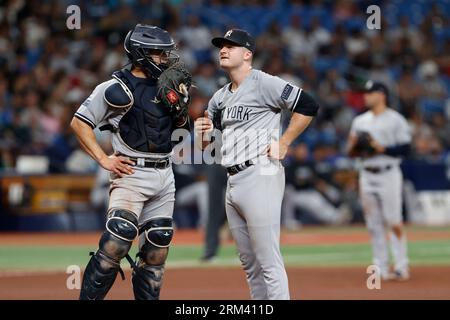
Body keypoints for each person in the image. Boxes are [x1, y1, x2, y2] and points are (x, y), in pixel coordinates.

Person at [194, 29, 319, 299]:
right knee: (250, 266)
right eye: (221, 46)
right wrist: (201, 136)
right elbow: (211, 145)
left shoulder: (265, 83)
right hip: (233, 180)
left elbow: (308, 105)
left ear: (247, 54)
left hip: (260, 173)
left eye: (231, 46)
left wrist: (285, 141)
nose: (223, 50)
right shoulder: (219, 98)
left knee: (268, 261)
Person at [70, 24, 191, 300]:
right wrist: (103, 159)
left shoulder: (168, 85)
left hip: (164, 173)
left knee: (157, 246)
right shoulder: (116, 88)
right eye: (159, 54)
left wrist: (182, 111)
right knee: (117, 240)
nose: (166, 59)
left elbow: (181, 133)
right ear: (141, 53)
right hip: (131, 173)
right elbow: (79, 123)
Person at [347, 80, 411, 281]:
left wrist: (380, 147)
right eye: (365, 93)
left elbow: (406, 149)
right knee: (373, 224)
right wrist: (358, 146)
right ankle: (380, 266)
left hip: (389, 173)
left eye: (370, 92)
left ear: (382, 94)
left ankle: (401, 266)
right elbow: (350, 152)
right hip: (367, 173)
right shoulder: (360, 121)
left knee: (393, 221)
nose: (366, 96)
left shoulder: (396, 119)